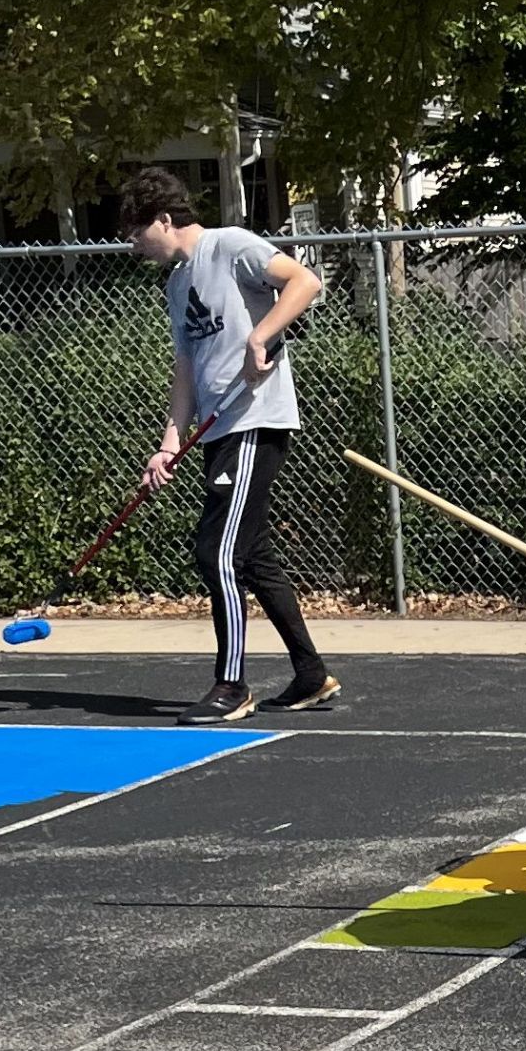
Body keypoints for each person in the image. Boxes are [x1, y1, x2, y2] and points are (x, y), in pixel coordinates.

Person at [119, 166, 341, 725]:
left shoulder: (231, 246)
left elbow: (306, 282)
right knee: (254, 555)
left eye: (136, 231)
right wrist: (168, 444)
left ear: (164, 220)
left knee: (216, 551)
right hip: (217, 429)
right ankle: (311, 675)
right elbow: (187, 369)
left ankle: (231, 685)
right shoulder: (175, 285)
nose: (132, 244)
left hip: (254, 420)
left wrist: (261, 336)